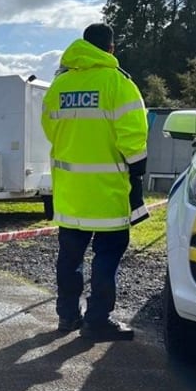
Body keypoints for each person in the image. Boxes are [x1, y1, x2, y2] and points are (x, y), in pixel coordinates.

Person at [41, 23, 148, 342]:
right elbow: (133, 138)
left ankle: (67, 317)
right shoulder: (118, 82)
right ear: (111, 48)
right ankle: (97, 320)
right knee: (107, 255)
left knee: (69, 258)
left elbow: (49, 128)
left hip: (70, 193)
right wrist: (137, 174)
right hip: (107, 192)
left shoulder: (59, 85)